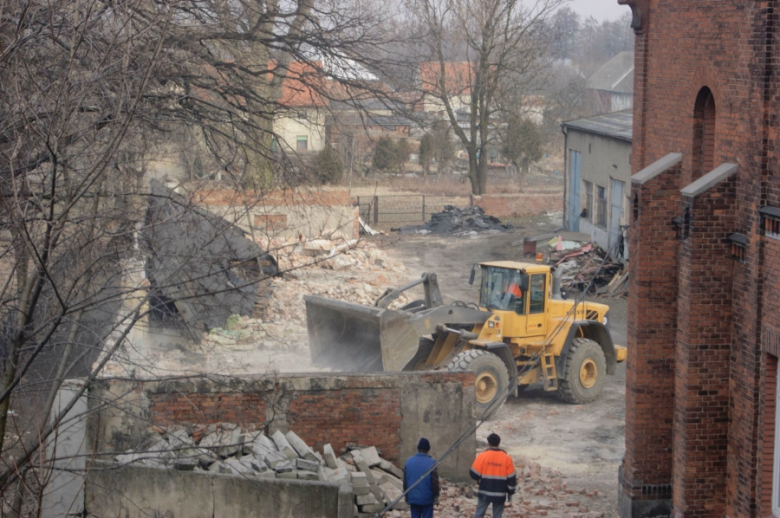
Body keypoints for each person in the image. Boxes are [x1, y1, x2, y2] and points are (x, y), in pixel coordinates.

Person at [470, 433, 516, 518]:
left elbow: (473, 474)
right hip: (500, 493)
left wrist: (479, 479)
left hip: (484, 491)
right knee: (497, 515)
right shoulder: (507, 458)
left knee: (479, 513)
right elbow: (511, 478)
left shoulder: (482, 456)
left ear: (488, 442)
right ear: (499, 442)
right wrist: (510, 492)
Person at [403, 438, 440, 518]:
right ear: (428, 450)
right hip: (427, 498)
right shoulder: (432, 462)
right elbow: (435, 482)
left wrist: (406, 496)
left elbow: (405, 481)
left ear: (418, 449)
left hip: (413, 498)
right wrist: (436, 496)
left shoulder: (408, 462)